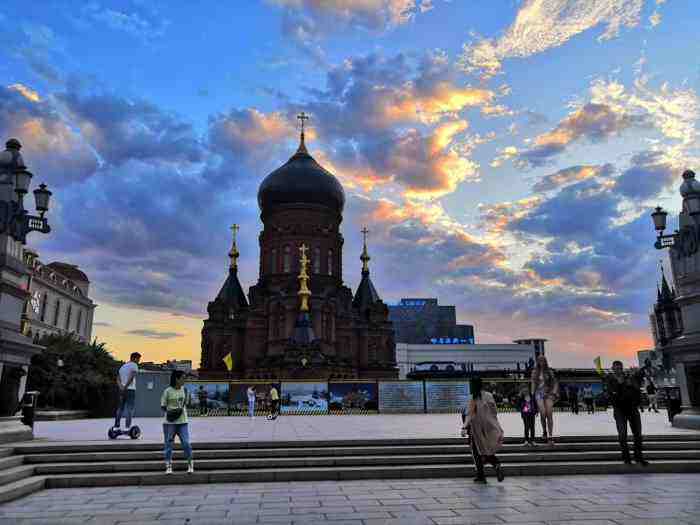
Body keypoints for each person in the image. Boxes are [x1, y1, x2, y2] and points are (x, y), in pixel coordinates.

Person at [461, 377, 505, 484]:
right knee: (487, 449)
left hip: (476, 430)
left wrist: (464, 427)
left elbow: (469, 415)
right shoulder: (489, 395)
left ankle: (481, 476)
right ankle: (496, 465)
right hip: (490, 427)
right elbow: (494, 411)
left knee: (477, 452)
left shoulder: (473, 398)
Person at [605, 360, 648, 466]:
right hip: (619, 410)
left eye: (620, 368)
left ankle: (638, 457)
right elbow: (611, 393)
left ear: (622, 368)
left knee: (638, 434)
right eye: (616, 368)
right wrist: (619, 385)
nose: (618, 370)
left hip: (632, 408)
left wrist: (632, 383)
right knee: (622, 435)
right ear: (613, 369)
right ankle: (626, 458)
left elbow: (637, 387)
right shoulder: (610, 379)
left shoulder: (629, 377)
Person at [161, 370, 194, 474]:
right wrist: (172, 412)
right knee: (168, 445)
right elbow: (163, 406)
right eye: (183, 378)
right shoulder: (167, 391)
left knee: (186, 443)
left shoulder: (185, 390)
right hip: (169, 422)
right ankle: (168, 466)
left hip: (183, 421)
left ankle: (190, 464)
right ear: (177, 379)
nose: (185, 380)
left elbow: (187, 403)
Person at [530, 355, 559, 445]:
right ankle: (544, 431)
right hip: (539, 393)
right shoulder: (535, 372)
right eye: (540, 360)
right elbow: (533, 383)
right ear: (537, 362)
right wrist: (532, 394)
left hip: (549, 393)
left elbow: (555, 382)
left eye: (543, 360)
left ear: (545, 361)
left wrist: (554, 392)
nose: (541, 362)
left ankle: (550, 436)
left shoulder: (549, 371)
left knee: (549, 413)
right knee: (543, 412)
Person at [113, 352, 141, 431]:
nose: (139, 361)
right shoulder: (134, 365)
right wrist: (125, 387)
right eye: (138, 359)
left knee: (120, 408)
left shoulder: (123, 366)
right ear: (134, 358)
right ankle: (127, 428)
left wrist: (121, 387)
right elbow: (132, 377)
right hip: (130, 390)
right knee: (129, 409)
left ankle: (116, 427)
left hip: (121, 390)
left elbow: (117, 379)